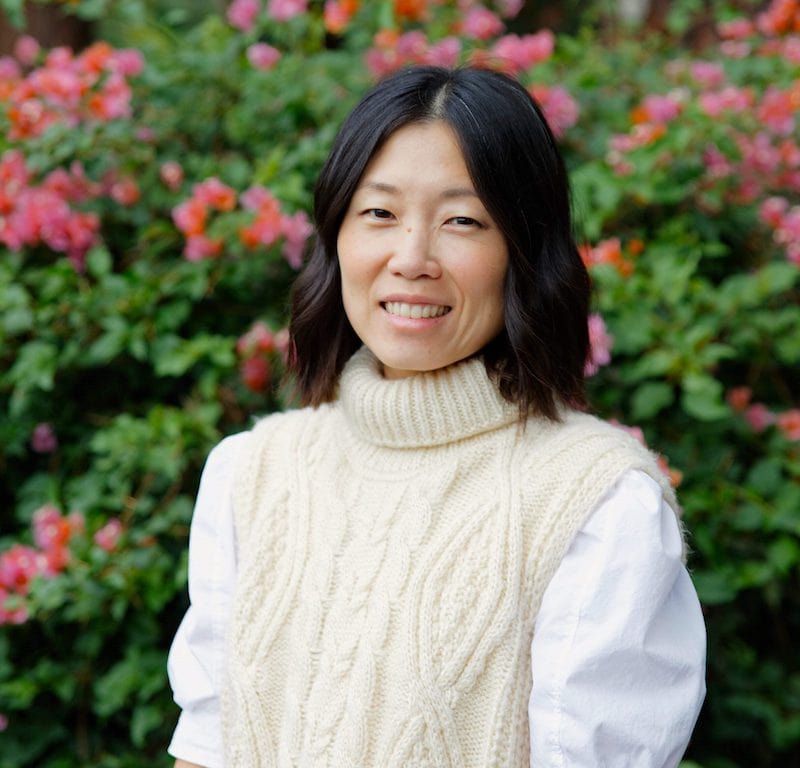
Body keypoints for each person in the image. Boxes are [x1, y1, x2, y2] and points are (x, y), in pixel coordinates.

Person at [167, 65, 706, 768]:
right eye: (380, 214)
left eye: (462, 221)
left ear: (523, 251)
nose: (411, 259)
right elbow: (208, 746)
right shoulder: (252, 473)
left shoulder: (598, 505)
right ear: (337, 236)